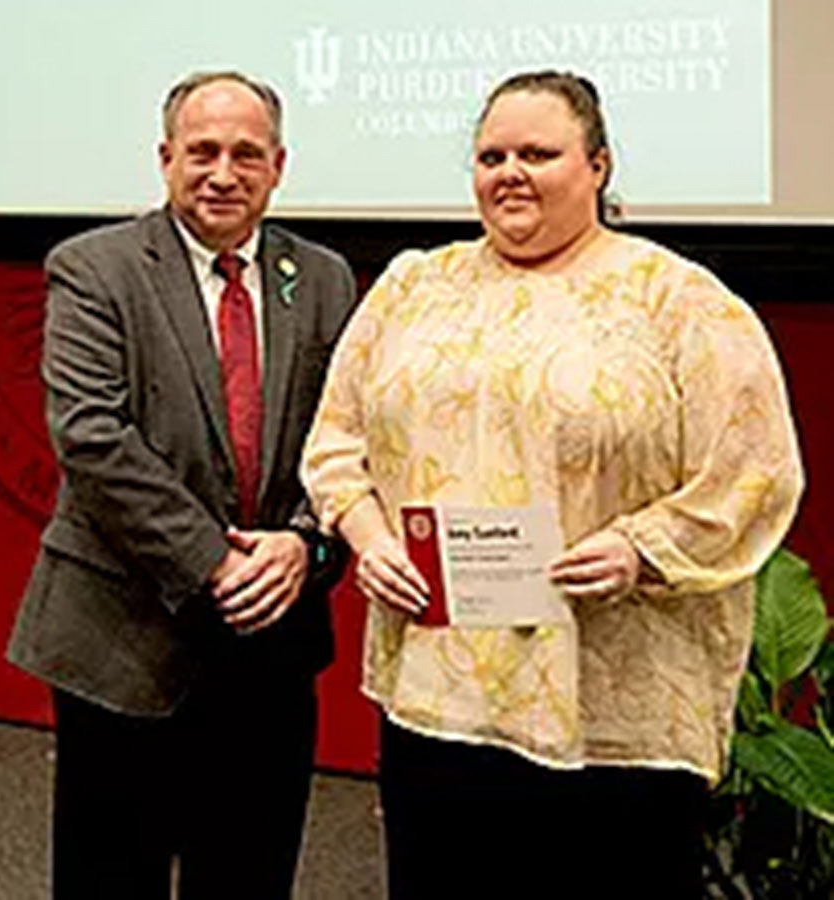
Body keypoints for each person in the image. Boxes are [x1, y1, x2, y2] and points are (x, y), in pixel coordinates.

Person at [300, 70, 803, 898]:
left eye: (539, 152)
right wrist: (368, 535)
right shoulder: (413, 287)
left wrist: (640, 549)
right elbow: (336, 439)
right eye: (491, 154)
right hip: (439, 697)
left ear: (598, 165)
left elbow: (755, 473)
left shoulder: (680, 302)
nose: (510, 172)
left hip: (611, 713)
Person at [8, 70, 356, 899]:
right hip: (123, 636)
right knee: (110, 875)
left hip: (271, 641)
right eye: (202, 152)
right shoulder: (95, 268)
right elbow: (93, 439)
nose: (223, 172)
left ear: (279, 166)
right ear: (166, 159)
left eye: (246, 154)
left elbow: (348, 436)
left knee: (248, 870)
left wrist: (304, 545)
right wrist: (219, 562)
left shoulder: (327, 280)